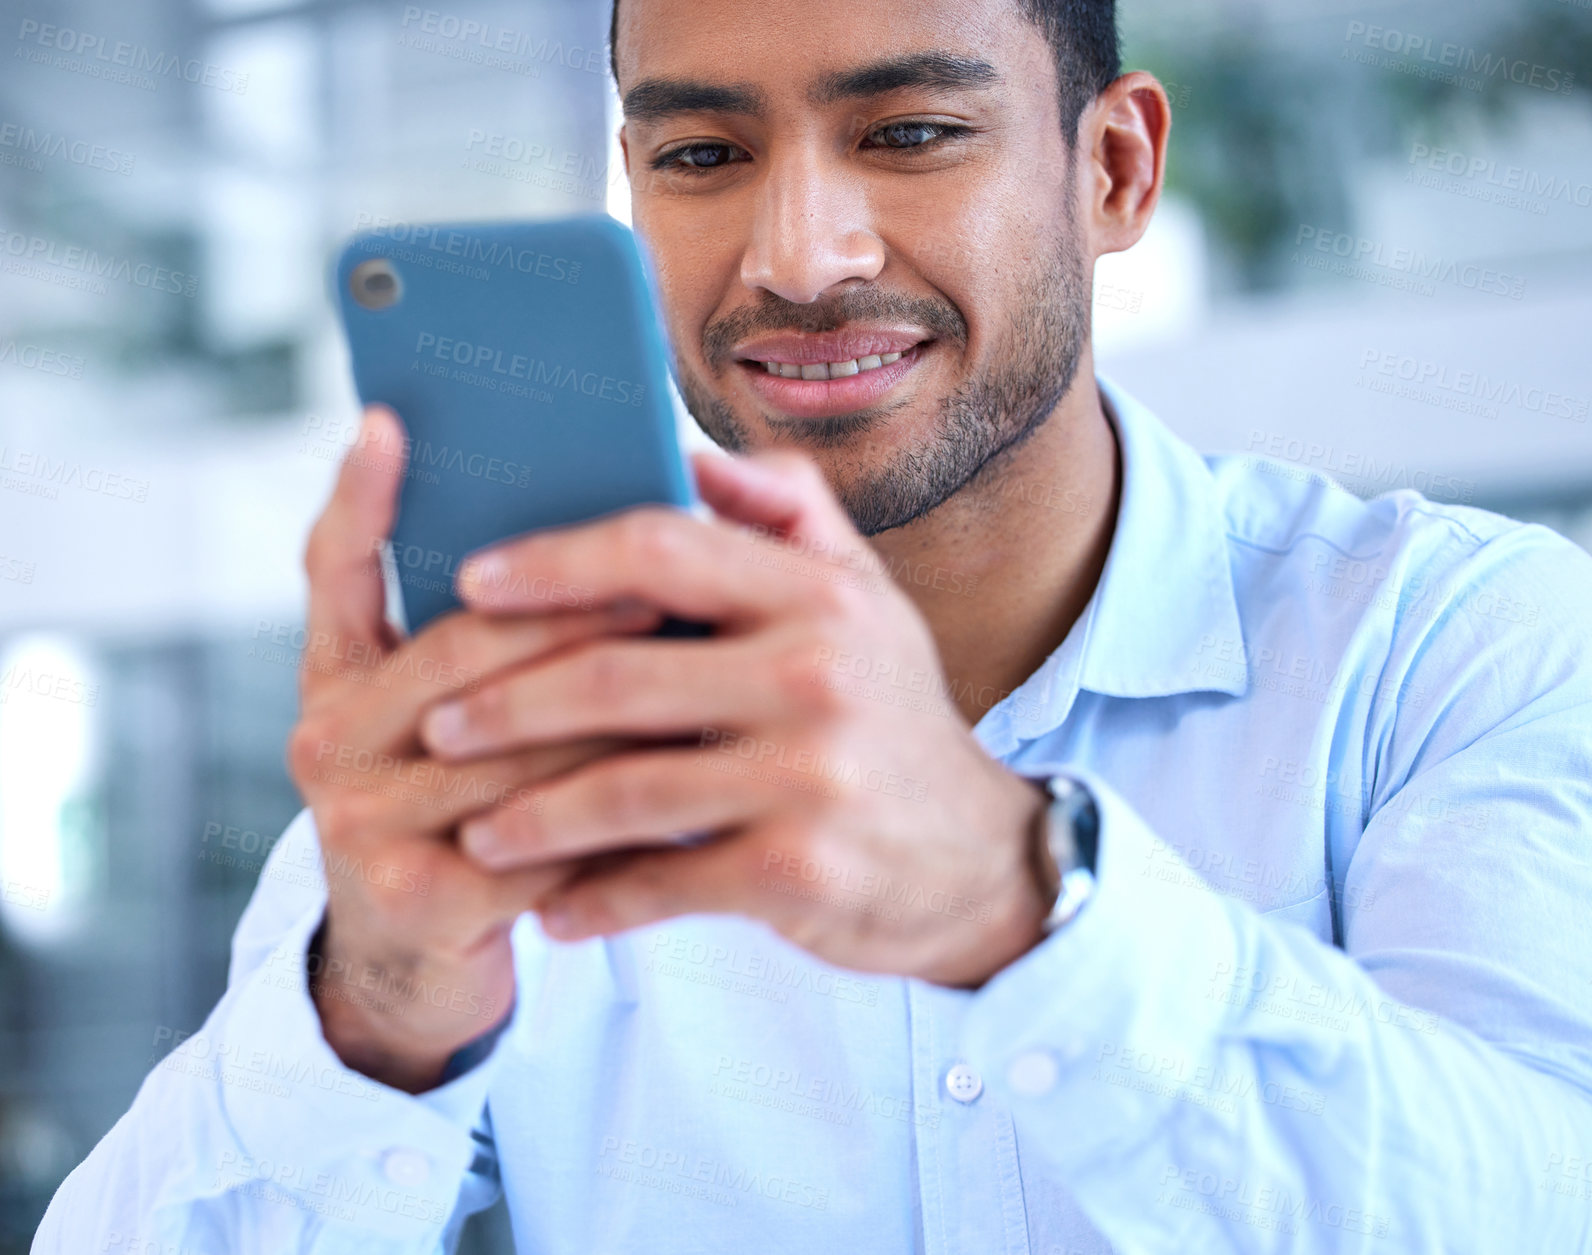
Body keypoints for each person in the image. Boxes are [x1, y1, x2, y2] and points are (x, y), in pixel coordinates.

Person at [35, 0, 1592, 1250]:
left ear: (1112, 170)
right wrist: (373, 1015)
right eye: (701, 155)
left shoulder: (1457, 647)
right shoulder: (503, 724)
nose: (799, 258)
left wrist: (1019, 899)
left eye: (911, 132)